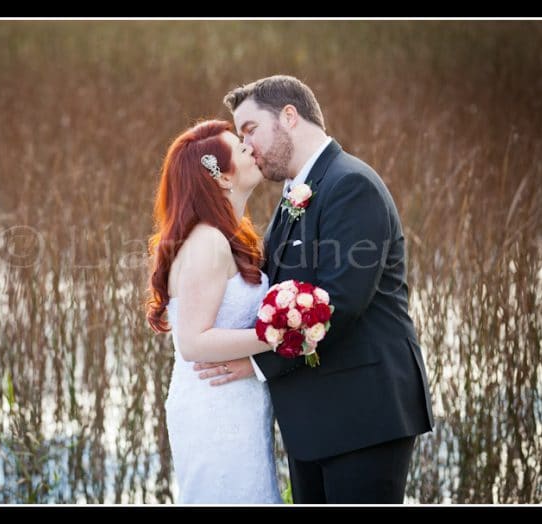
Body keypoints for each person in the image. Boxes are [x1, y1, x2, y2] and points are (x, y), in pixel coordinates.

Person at [195, 75, 434, 503]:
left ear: (289, 116)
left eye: (250, 129)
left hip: (364, 416)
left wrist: (259, 364)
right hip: (313, 422)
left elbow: (339, 304)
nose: (246, 146)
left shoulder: (351, 185)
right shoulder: (294, 194)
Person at [147, 120, 282, 504]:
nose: (251, 149)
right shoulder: (206, 242)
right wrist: (278, 337)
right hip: (214, 408)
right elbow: (192, 342)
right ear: (222, 178)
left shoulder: (230, 235)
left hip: (238, 401)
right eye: (241, 149)